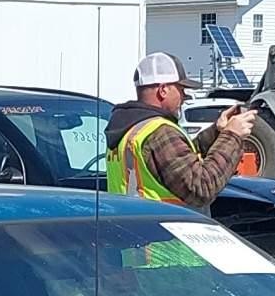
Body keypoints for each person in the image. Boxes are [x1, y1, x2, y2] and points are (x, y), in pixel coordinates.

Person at [105, 51, 256, 211]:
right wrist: (231, 137)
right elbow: (201, 188)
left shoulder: (130, 129)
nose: (184, 96)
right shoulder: (159, 132)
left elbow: (180, 160)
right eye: (181, 89)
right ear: (163, 90)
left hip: (136, 228)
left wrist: (217, 132)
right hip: (166, 232)